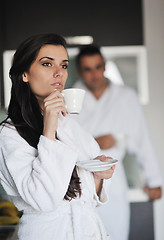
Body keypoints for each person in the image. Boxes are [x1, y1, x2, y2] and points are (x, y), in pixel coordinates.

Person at [0, 34, 116, 240]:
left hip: (89, 229)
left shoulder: (69, 124)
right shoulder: (9, 133)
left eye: (63, 66)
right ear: (25, 73)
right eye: (47, 64)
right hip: (48, 232)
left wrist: (99, 175)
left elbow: (89, 194)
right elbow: (43, 199)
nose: (58, 73)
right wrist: (49, 127)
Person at [72, 45, 163, 240]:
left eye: (98, 67)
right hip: (79, 180)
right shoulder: (70, 99)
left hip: (115, 179)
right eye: (88, 69)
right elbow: (62, 141)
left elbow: (142, 139)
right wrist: (96, 142)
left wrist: (154, 180)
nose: (94, 74)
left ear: (105, 66)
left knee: (116, 233)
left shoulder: (126, 97)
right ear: (80, 71)